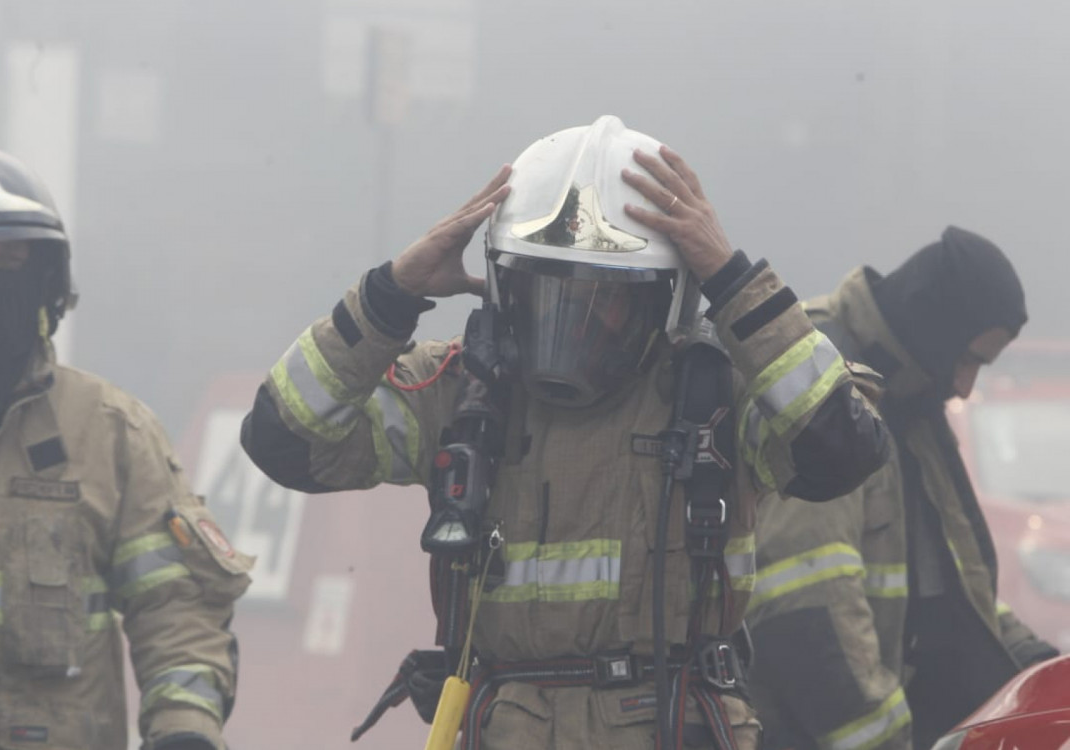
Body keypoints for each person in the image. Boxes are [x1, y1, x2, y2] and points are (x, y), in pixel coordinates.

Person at [241, 116, 887, 749]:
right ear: (504, 287)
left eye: (603, 300)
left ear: (666, 298)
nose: (572, 328)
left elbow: (844, 446)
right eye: (547, 294)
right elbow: (285, 436)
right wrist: (390, 295)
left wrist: (734, 282)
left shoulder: (721, 396)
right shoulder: (461, 392)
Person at [0, 141, 251, 750]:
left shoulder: (107, 433)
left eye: (11, 263)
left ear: (45, 282)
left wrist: (185, 730)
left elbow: (180, 608)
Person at [745, 227, 1059, 750]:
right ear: (937, 330)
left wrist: (1039, 667)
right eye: (969, 360)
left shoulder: (909, 402)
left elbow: (955, 586)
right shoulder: (830, 385)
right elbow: (810, 609)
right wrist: (888, 742)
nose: (965, 387)